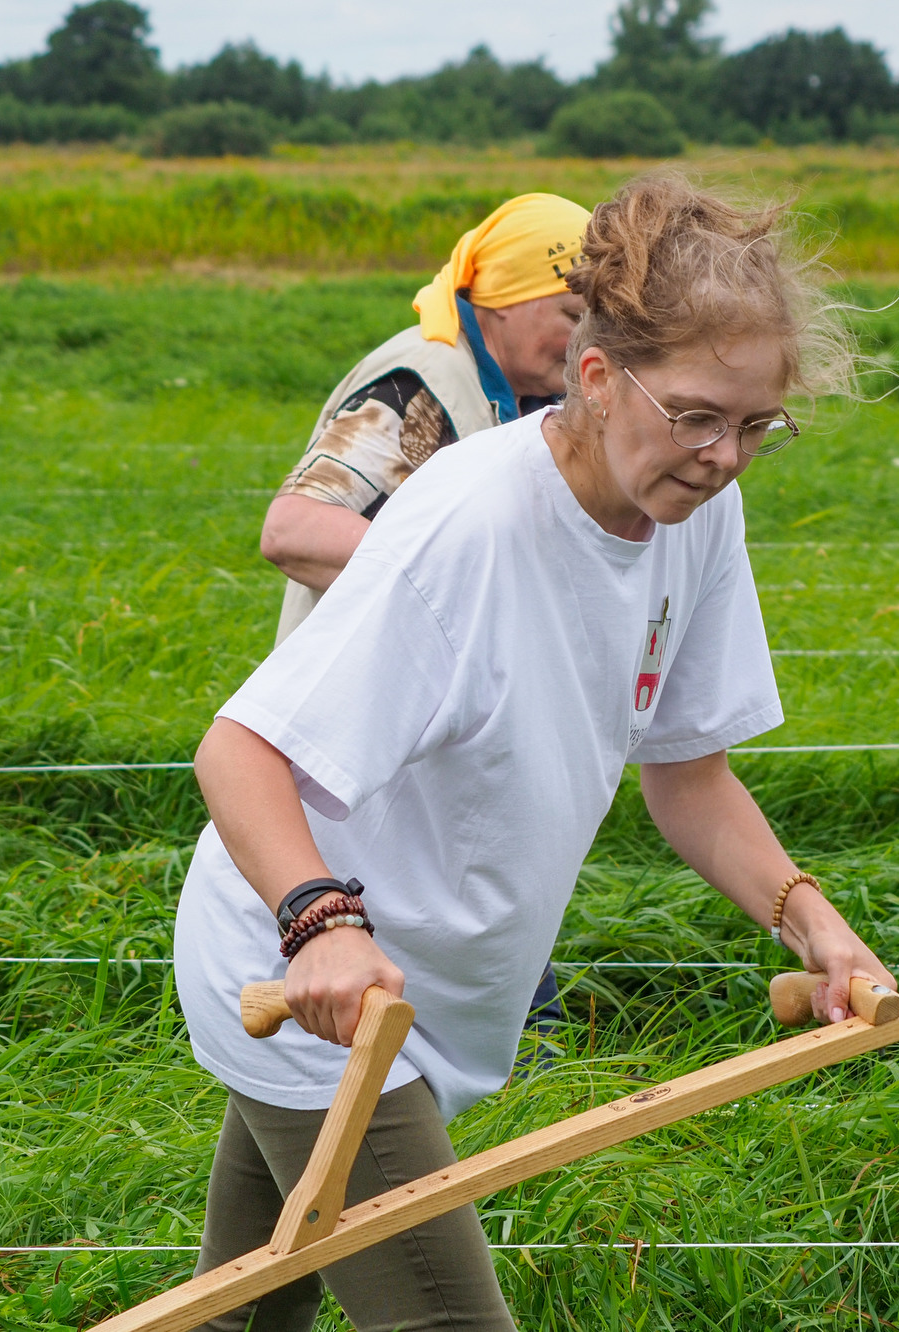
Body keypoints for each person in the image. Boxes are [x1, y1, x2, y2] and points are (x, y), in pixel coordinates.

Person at [175, 172, 895, 1332]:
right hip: (317, 996)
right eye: (697, 417)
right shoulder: (468, 524)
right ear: (599, 378)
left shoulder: (692, 515)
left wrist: (810, 921)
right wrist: (324, 925)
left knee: (241, 1308)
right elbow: (240, 752)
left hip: (422, 994)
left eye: (757, 426)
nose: (722, 457)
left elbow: (689, 774)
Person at [261, 192, 592, 1040]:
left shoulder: (517, 398)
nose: (587, 335)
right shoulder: (421, 382)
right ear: (504, 299)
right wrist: (471, 581)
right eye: (570, 310)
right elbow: (293, 528)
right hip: (370, 750)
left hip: (443, 761)